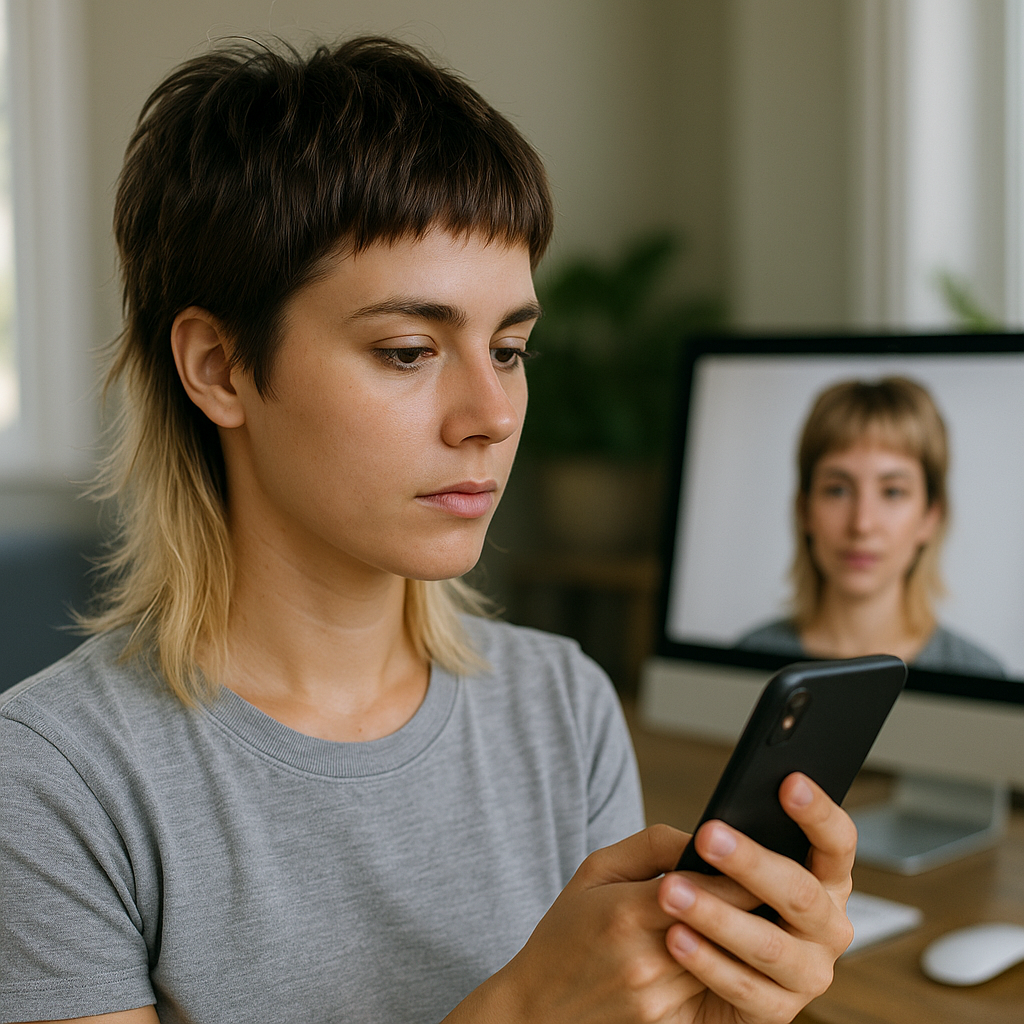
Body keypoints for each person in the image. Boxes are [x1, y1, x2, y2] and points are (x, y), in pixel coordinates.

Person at [0, 37, 856, 1024]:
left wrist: (716, 1009)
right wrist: (521, 1010)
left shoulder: (564, 708)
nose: (490, 414)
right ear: (220, 368)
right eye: (409, 350)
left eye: (510, 348)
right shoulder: (53, 779)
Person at [737, 376, 1004, 676]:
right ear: (804, 509)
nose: (862, 524)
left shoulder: (981, 675)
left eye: (893, 492)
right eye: (837, 490)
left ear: (930, 516)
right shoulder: (745, 660)